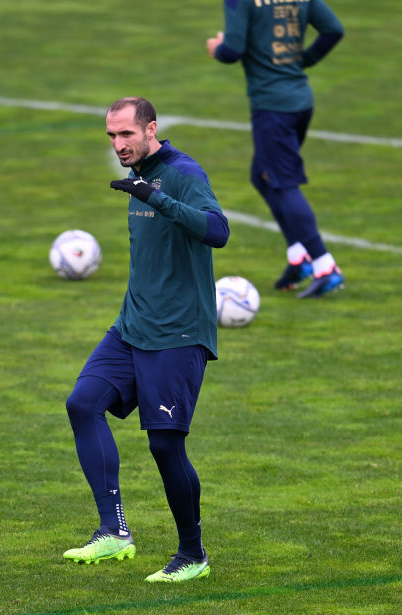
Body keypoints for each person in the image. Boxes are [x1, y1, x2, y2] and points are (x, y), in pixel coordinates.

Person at [62, 97, 230, 583]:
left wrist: (156, 197)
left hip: (177, 334)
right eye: (111, 137)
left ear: (151, 128)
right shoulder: (136, 177)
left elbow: (218, 231)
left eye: (126, 135)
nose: (118, 145)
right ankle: (112, 531)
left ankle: (192, 554)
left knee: (164, 447)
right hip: (133, 326)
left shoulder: (182, 174)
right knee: (82, 403)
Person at [206, 0, 345, 298]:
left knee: (282, 184)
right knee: (261, 176)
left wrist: (216, 47)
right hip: (300, 103)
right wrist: (302, 61)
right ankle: (299, 256)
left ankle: (324, 264)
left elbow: (232, 50)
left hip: (272, 108)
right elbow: (333, 30)